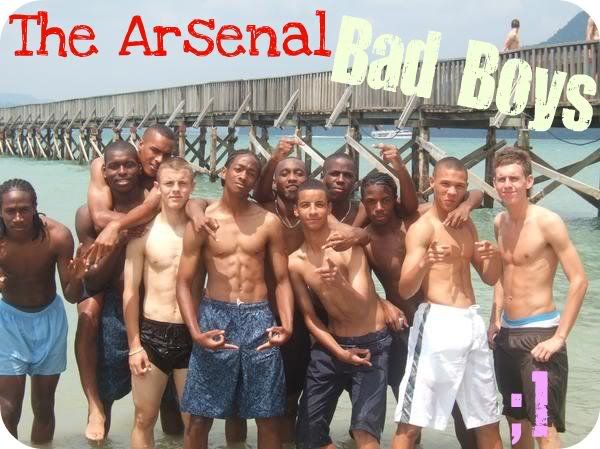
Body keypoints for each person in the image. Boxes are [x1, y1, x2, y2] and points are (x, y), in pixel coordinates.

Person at [176, 150, 294, 449]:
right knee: (200, 415)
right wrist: (195, 332)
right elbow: (184, 282)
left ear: (257, 180)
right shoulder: (204, 222)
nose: (244, 176)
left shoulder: (268, 222)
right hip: (215, 315)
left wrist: (287, 325)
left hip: (259, 318)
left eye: (251, 172)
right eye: (238, 169)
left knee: (267, 415)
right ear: (224, 172)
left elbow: (282, 280)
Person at [360, 166, 479, 449]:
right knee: (411, 410)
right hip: (403, 330)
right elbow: (362, 285)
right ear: (363, 203)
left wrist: (465, 206)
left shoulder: (418, 220)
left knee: (465, 408)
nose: (379, 208)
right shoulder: (365, 240)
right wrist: (384, 304)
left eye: (385, 200)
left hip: (441, 323)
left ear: (395, 200)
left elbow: (474, 192)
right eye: (371, 202)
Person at [74, 140, 182, 441]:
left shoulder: (161, 198)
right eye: (114, 167)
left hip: (156, 308)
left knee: (170, 405)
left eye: (129, 165)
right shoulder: (88, 215)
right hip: (115, 305)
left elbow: (191, 203)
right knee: (106, 391)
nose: (122, 171)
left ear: (138, 166)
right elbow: (91, 280)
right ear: (104, 172)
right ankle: (96, 415)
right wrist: (122, 233)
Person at [392, 157, 503, 449]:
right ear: (432, 183)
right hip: (437, 323)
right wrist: (425, 263)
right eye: (445, 184)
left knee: (488, 420)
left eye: (459, 186)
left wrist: (494, 257)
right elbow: (405, 289)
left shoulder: (466, 225)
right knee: (411, 422)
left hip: (472, 322)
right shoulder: (423, 228)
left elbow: (490, 278)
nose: (452, 192)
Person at [289, 179, 400, 449]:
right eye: (306, 205)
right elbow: (310, 318)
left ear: (329, 208)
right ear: (296, 210)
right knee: (308, 435)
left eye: (319, 205)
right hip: (332, 347)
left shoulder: (349, 245)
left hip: (371, 345)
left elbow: (362, 306)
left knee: (364, 432)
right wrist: (338, 352)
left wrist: (338, 283)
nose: (313, 211)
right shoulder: (296, 261)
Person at [489, 148, 588, 449]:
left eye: (514, 178)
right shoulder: (499, 222)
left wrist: (559, 338)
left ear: (529, 181)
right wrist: (494, 321)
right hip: (507, 341)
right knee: (516, 420)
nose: (508, 185)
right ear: (494, 183)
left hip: (539, 343)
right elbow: (502, 276)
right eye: (502, 179)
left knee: (542, 426)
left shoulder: (548, 222)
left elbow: (579, 281)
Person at [123, 157, 200, 448]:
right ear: (158, 187)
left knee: (194, 422)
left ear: (192, 187)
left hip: (191, 333)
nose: (176, 189)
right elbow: (130, 292)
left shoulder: (202, 230)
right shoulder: (143, 233)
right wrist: (134, 345)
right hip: (152, 333)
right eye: (169, 183)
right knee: (144, 417)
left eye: (182, 183)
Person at [0, 179, 82, 443]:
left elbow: (71, 296)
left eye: (24, 209)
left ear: (35, 207)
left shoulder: (58, 236)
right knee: (8, 407)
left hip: (50, 320)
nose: (18, 217)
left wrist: (78, 276)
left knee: (44, 405)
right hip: (8, 323)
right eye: (10, 211)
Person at [320, 151, 418, 227]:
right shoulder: (312, 208)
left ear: (355, 181)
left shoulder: (366, 208)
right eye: (334, 174)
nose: (340, 180)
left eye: (348, 175)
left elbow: (409, 209)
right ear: (322, 176)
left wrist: (400, 167)